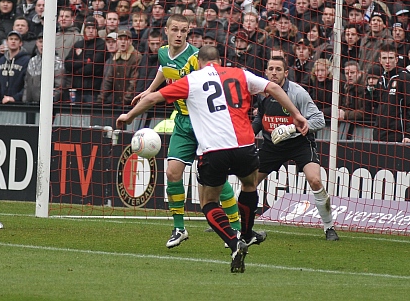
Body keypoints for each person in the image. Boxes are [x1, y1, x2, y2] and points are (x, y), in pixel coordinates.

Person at [118, 45, 308, 273]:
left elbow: (154, 98)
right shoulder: (240, 73)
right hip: (245, 146)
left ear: (199, 63)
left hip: (214, 150)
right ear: (219, 61)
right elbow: (274, 88)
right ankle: (246, 234)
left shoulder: (192, 80)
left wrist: (129, 116)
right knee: (249, 185)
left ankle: (233, 241)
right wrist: (296, 114)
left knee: (209, 202)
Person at [131, 14, 241, 248]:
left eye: (184, 31)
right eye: (175, 30)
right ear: (167, 31)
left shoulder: (194, 58)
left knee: (215, 180)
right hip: (182, 122)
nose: (179, 35)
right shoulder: (162, 52)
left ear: (188, 32)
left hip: (203, 123)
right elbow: (164, 68)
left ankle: (237, 228)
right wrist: (149, 90)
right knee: (172, 173)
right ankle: (179, 228)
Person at [253, 56, 339, 240]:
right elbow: (260, 117)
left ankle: (329, 227)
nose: (274, 72)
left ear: (285, 73)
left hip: (299, 143)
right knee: (249, 182)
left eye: (278, 69)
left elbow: (320, 120)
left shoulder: (298, 93)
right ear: (266, 72)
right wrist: (250, 132)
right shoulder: (262, 92)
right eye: (271, 69)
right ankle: (233, 222)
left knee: (315, 180)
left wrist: (292, 127)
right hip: (272, 146)